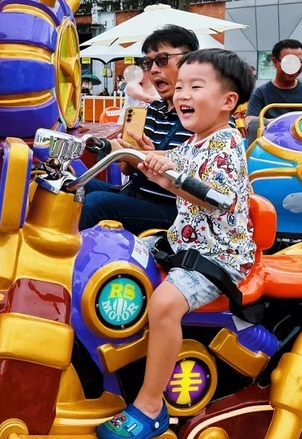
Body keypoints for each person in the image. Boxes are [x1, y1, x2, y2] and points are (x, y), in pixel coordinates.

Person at [97, 49, 255, 439]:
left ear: (227, 102)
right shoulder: (194, 142)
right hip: (183, 244)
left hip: (217, 255)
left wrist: (170, 174)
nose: (182, 93)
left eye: (195, 86)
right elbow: (168, 166)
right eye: (179, 86)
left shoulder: (225, 144)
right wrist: (136, 153)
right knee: (113, 249)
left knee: (165, 304)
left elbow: (218, 198)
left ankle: (150, 407)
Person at [79, 25, 199, 234]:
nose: (153, 70)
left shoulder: (203, 114)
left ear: (191, 62)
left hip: (175, 209)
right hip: (136, 193)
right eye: (148, 62)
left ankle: (79, 263)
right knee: (72, 186)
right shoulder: (153, 109)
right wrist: (127, 153)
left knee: (97, 202)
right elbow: (127, 170)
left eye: (162, 60)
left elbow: (197, 170)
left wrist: (140, 155)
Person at [244, 39, 302, 144]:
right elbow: (251, 123)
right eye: (289, 62)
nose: (294, 67)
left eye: (299, 62)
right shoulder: (260, 93)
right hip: (270, 149)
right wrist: (293, 123)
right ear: (275, 62)